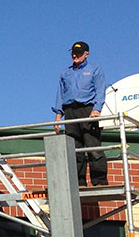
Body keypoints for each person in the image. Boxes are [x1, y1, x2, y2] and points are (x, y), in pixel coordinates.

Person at [52, 41, 107, 186]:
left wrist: (97, 109)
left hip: (87, 109)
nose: (75, 55)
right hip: (70, 110)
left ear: (86, 54)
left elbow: (100, 91)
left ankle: (99, 180)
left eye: (79, 53)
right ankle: (79, 182)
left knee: (93, 146)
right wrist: (58, 115)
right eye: (73, 53)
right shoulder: (66, 72)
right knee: (75, 149)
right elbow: (60, 94)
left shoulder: (94, 70)